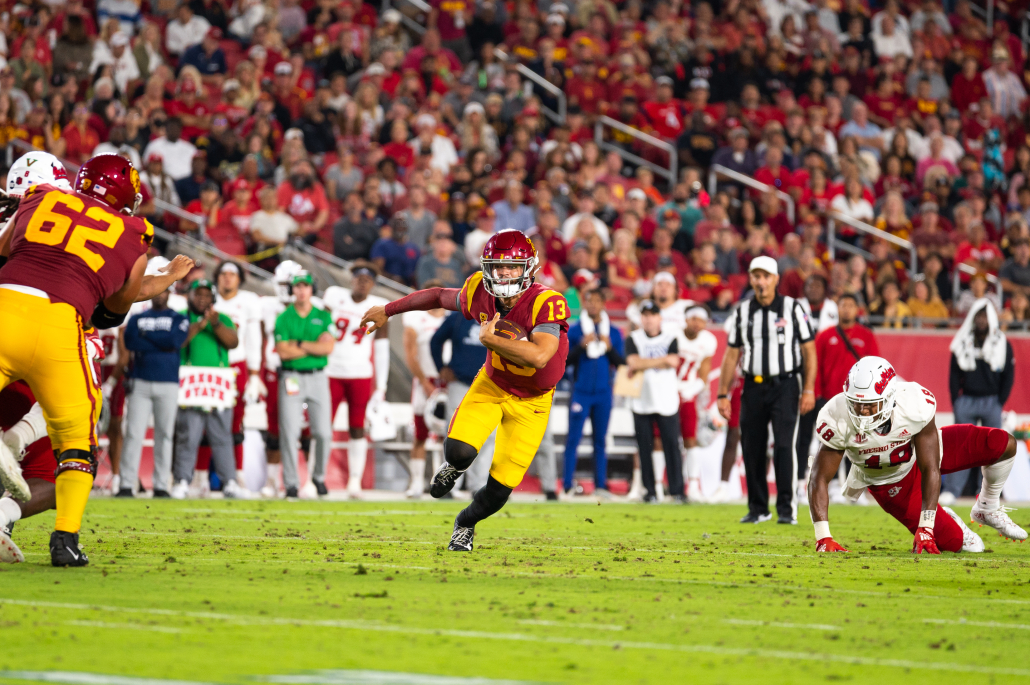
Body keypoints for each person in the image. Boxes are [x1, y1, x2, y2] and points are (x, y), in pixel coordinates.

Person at [0, 154, 191, 567]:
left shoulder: (38, 197)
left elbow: (5, 248)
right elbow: (114, 307)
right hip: (60, 328)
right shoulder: (135, 231)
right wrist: (166, 278)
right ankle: (65, 540)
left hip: (6, 308)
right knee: (78, 445)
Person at [360, 229, 569, 551]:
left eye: (511, 266)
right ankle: (455, 467)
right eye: (496, 266)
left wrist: (492, 340)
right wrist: (388, 310)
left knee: (499, 490)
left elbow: (541, 356)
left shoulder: (546, 301)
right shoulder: (478, 291)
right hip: (493, 384)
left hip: (533, 402)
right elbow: (437, 295)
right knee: (459, 451)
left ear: (529, 267)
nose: (503, 273)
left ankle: (465, 523)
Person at [808, 356, 1026, 555]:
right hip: (891, 483)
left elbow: (931, 467)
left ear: (889, 398)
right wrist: (823, 537)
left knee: (1002, 443)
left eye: (869, 405)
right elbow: (818, 477)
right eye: (856, 404)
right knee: (966, 545)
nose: (861, 411)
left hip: (920, 454)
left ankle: (987, 506)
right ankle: (948, 519)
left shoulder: (913, 404)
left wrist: (926, 526)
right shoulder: (836, 416)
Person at [717, 256, 817, 524]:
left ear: (775, 279)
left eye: (765, 276)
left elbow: (809, 350)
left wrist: (808, 389)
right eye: (755, 276)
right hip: (753, 385)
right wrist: (722, 393)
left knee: (785, 446)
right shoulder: (742, 311)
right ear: (750, 279)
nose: (760, 281)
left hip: (785, 384)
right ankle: (758, 507)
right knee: (752, 447)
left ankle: (786, 509)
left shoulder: (792, 308)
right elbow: (730, 355)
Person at [322, 263, 391, 497]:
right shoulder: (334, 296)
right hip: (331, 370)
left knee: (357, 427)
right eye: (359, 278)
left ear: (373, 284)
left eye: (367, 279)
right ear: (351, 279)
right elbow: (319, 326)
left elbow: (382, 349)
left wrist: (381, 386)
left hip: (360, 373)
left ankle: (354, 481)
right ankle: (317, 475)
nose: (362, 282)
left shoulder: (378, 308)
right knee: (322, 426)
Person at [171, 279, 243, 500]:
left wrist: (216, 324)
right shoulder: (181, 316)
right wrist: (201, 324)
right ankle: (182, 480)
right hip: (190, 383)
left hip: (217, 384)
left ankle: (229, 481)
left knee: (222, 435)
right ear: (190, 296)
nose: (202, 299)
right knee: (188, 435)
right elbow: (178, 341)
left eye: (206, 296)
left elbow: (233, 342)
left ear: (213, 298)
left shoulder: (223, 318)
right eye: (197, 295)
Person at [120, 284, 190, 498]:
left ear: (170, 293)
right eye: (158, 291)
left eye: (165, 291)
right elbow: (131, 342)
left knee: (165, 434)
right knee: (133, 433)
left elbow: (175, 342)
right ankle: (125, 484)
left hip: (168, 382)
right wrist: (161, 342)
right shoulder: (136, 318)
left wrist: (146, 337)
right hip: (140, 381)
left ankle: (161, 484)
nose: (161, 295)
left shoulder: (179, 318)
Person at [943, 301, 1015, 504]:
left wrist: (1000, 401)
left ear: (991, 319)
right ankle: (952, 490)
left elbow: (1009, 375)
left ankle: (988, 493)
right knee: (960, 447)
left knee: (994, 449)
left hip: (991, 401)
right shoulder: (963, 341)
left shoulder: (1002, 343)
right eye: (978, 316)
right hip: (966, 400)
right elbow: (954, 375)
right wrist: (956, 401)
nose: (981, 320)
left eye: (985, 316)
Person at [274, 271, 336, 498]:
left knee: (323, 432)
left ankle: (319, 476)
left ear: (311, 289)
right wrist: (312, 346)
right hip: (292, 376)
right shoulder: (283, 317)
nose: (301, 291)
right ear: (292, 290)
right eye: (297, 286)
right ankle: (291, 482)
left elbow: (328, 349)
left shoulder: (323, 316)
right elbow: (283, 352)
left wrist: (297, 344)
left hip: (318, 376)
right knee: (289, 431)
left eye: (305, 286)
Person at [563, 287, 624, 497]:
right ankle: (567, 485)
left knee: (600, 440)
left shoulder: (613, 332)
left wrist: (610, 349)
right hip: (580, 391)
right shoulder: (576, 330)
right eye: (589, 301)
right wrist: (581, 346)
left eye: (597, 301)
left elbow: (621, 363)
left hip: (603, 393)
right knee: (573, 439)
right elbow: (565, 361)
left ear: (603, 304)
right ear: (584, 303)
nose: (593, 305)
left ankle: (600, 485)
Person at [430, 308, 494, 494]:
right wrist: (440, 367)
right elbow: (435, 341)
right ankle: (450, 485)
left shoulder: (502, 318)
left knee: (488, 436)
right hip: (460, 382)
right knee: (455, 433)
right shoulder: (459, 318)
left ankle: (479, 485)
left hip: (490, 385)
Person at [213, 261, 264, 491]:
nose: (227, 278)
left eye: (232, 274)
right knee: (203, 420)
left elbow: (254, 338)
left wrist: (254, 373)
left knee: (236, 423)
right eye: (223, 274)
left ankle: (238, 474)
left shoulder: (248, 301)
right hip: (210, 365)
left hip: (236, 365)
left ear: (239, 279)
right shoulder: (208, 297)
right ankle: (200, 476)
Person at [626, 300, 684, 503]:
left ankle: (678, 490)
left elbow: (674, 361)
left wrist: (643, 363)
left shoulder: (670, 337)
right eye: (645, 315)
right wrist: (661, 361)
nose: (649, 319)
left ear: (659, 317)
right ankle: (649, 490)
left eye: (652, 315)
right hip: (641, 400)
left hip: (666, 399)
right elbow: (633, 362)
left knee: (672, 447)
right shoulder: (634, 338)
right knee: (644, 447)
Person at [403, 280, 448, 498]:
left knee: (449, 436)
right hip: (425, 379)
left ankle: (447, 485)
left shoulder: (452, 318)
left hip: (448, 379)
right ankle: (416, 483)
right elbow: (410, 353)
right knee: (420, 433)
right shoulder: (415, 318)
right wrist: (423, 381)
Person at [679, 306, 718, 501]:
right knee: (658, 438)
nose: (696, 323)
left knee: (690, 437)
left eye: (701, 319)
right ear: (685, 319)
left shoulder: (708, 341)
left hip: (689, 392)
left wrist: (690, 390)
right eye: (693, 318)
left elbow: (704, 374)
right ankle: (657, 485)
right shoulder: (673, 334)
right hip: (666, 390)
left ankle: (693, 485)